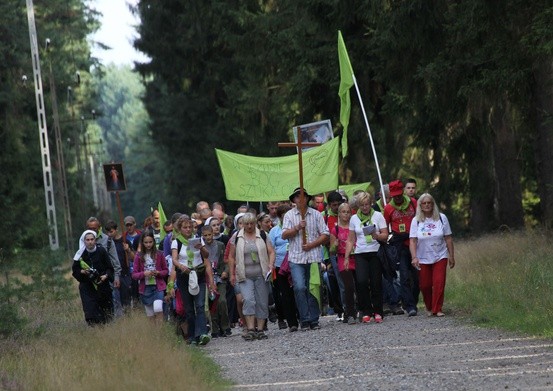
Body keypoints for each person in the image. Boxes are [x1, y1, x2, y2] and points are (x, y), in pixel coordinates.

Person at [281, 187, 329, 331]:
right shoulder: (289, 215)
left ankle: (314, 319)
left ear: (307, 198)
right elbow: (284, 235)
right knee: (300, 287)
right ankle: (304, 318)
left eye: (303, 196)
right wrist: (296, 228)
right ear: (294, 200)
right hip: (296, 258)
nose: (300, 199)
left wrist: (312, 244)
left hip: (313, 256)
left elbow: (325, 234)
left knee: (313, 287)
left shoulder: (316, 214)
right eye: (297, 197)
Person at [168, 215, 215, 345]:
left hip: (198, 274)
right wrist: (181, 267)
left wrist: (202, 247)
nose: (188, 230)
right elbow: (174, 259)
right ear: (180, 229)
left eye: (190, 227)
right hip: (184, 276)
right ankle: (192, 335)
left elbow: (206, 256)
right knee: (189, 308)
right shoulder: (176, 242)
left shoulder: (198, 239)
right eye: (185, 227)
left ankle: (202, 333)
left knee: (200, 305)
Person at [228, 213, 276, 340]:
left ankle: (260, 329)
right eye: (246, 224)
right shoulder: (237, 237)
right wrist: (232, 273)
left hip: (261, 274)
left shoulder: (263, 235)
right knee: (248, 300)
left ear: (255, 223)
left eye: (252, 223)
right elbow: (231, 257)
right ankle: (250, 328)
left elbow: (271, 252)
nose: (249, 226)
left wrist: (271, 265)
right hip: (244, 275)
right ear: (242, 224)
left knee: (262, 301)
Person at [344, 192, 389, 323]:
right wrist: (346, 257)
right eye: (362, 205)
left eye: (367, 205)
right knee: (361, 281)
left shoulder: (378, 215)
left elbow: (385, 235)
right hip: (360, 253)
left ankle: (378, 311)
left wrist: (376, 235)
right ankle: (366, 310)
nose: (365, 207)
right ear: (358, 205)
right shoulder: (354, 219)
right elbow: (351, 239)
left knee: (376, 282)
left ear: (371, 204)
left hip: (375, 251)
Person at [409, 193, 455, 317]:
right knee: (425, 285)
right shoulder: (416, 220)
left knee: (439, 282)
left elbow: (448, 238)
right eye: (424, 203)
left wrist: (451, 256)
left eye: (429, 202)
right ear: (420, 206)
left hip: (440, 255)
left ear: (433, 204)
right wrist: (414, 257)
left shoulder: (441, 218)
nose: (427, 205)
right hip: (423, 257)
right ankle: (429, 306)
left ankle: (437, 309)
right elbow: (413, 240)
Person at [384, 180, 419, 316]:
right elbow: (385, 227)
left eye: (399, 194)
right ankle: (410, 306)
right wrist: (389, 239)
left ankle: (413, 301)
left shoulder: (412, 203)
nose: (397, 197)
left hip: (415, 243)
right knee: (404, 276)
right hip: (400, 245)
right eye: (394, 195)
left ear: (403, 192)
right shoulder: (388, 208)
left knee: (417, 278)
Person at [72, 230, 114, 325]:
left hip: (102, 286)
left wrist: (106, 276)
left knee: (106, 314)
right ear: (84, 241)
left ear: (95, 240)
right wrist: (82, 271)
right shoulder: (80, 254)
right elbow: (75, 271)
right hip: (87, 287)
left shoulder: (101, 251)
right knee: (91, 313)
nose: (90, 241)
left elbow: (110, 268)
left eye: (92, 239)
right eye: (87, 240)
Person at [269, 204, 299, 332]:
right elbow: (270, 249)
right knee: (284, 294)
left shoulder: (297, 228)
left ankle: (301, 316)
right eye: (283, 216)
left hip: (296, 263)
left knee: (298, 291)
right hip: (280, 267)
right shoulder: (274, 231)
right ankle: (289, 321)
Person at [330, 202, 358, 324]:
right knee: (348, 286)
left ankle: (361, 309)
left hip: (356, 257)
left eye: (348, 212)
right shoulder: (335, 229)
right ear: (339, 214)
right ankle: (350, 312)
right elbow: (331, 251)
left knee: (360, 285)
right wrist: (334, 246)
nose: (346, 214)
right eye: (343, 212)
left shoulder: (354, 226)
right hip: (342, 258)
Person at [132, 230, 168, 321]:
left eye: (150, 242)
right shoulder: (138, 256)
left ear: (154, 241)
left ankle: (160, 333)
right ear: (142, 243)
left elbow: (165, 271)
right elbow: (134, 274)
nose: (148, 245)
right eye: (146, 242)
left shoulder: (160, 254)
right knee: (150, 314)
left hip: (158, 286)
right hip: (145, 288)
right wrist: (144, 274)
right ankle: (153, 333)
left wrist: (158, 273)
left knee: (158, 308)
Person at [201, 225, 230, 338]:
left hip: (219, 277)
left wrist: (226, 272)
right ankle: (215, 328)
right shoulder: (201, 248)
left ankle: (225, 326)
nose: (208, 237)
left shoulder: (220, 245)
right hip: (207, 279)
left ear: (213, 234)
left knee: (222, 301)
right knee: (212, 303)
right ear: (202, 236)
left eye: (210, 235)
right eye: (205, 235)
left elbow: (225, 261)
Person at [105, 220, 132, 315]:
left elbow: (133, 258)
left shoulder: (125, 241)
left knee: (126, 299)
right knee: (115, 300)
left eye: (111, 231)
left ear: (116, 230)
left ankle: (128, 317)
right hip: (113, 274)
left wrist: (128, 250)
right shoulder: (107, 243)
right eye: (107, 232)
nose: (109, 234)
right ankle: (118, 318)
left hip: (124, 273)